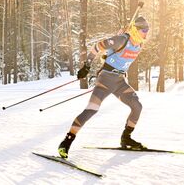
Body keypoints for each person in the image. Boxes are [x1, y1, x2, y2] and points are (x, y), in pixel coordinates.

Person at [58, 16, 150, 158]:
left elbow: (116, 56)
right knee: (91, 110)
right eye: (144, 30)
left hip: (119, 81)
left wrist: (109, 55)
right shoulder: (121, 39)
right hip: (106, 80)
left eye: (147, 30)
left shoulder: (139, 44)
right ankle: (66, 142)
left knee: (137, 106)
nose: (146, 33)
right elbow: (97, 47)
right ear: (135, 29)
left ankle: (126, 138)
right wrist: (87, 65)